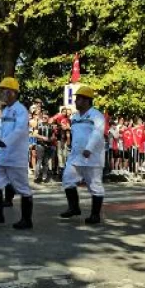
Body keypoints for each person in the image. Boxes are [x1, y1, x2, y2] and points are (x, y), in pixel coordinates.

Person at [0, 78, 33, 229]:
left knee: (23, 188)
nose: (1, 93)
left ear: (13, 92)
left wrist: (5, 141)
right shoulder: (5, 110)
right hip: (2, 155)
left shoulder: (21, 110)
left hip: (15, 156)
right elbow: (0, 130)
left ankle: (27, 220)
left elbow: (19, 130)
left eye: (4, 90)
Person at [60, 86, 106, 225]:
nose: (76, 101)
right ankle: (74, 208)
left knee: (95, 186)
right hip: (75, 156)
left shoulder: (96, 115)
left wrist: (89, 148)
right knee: (67, 179)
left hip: (92, 157)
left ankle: (95, 215)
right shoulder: (74, 117)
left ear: (87, 101)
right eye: (76, 98)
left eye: (79, 99)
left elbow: (97, 133)